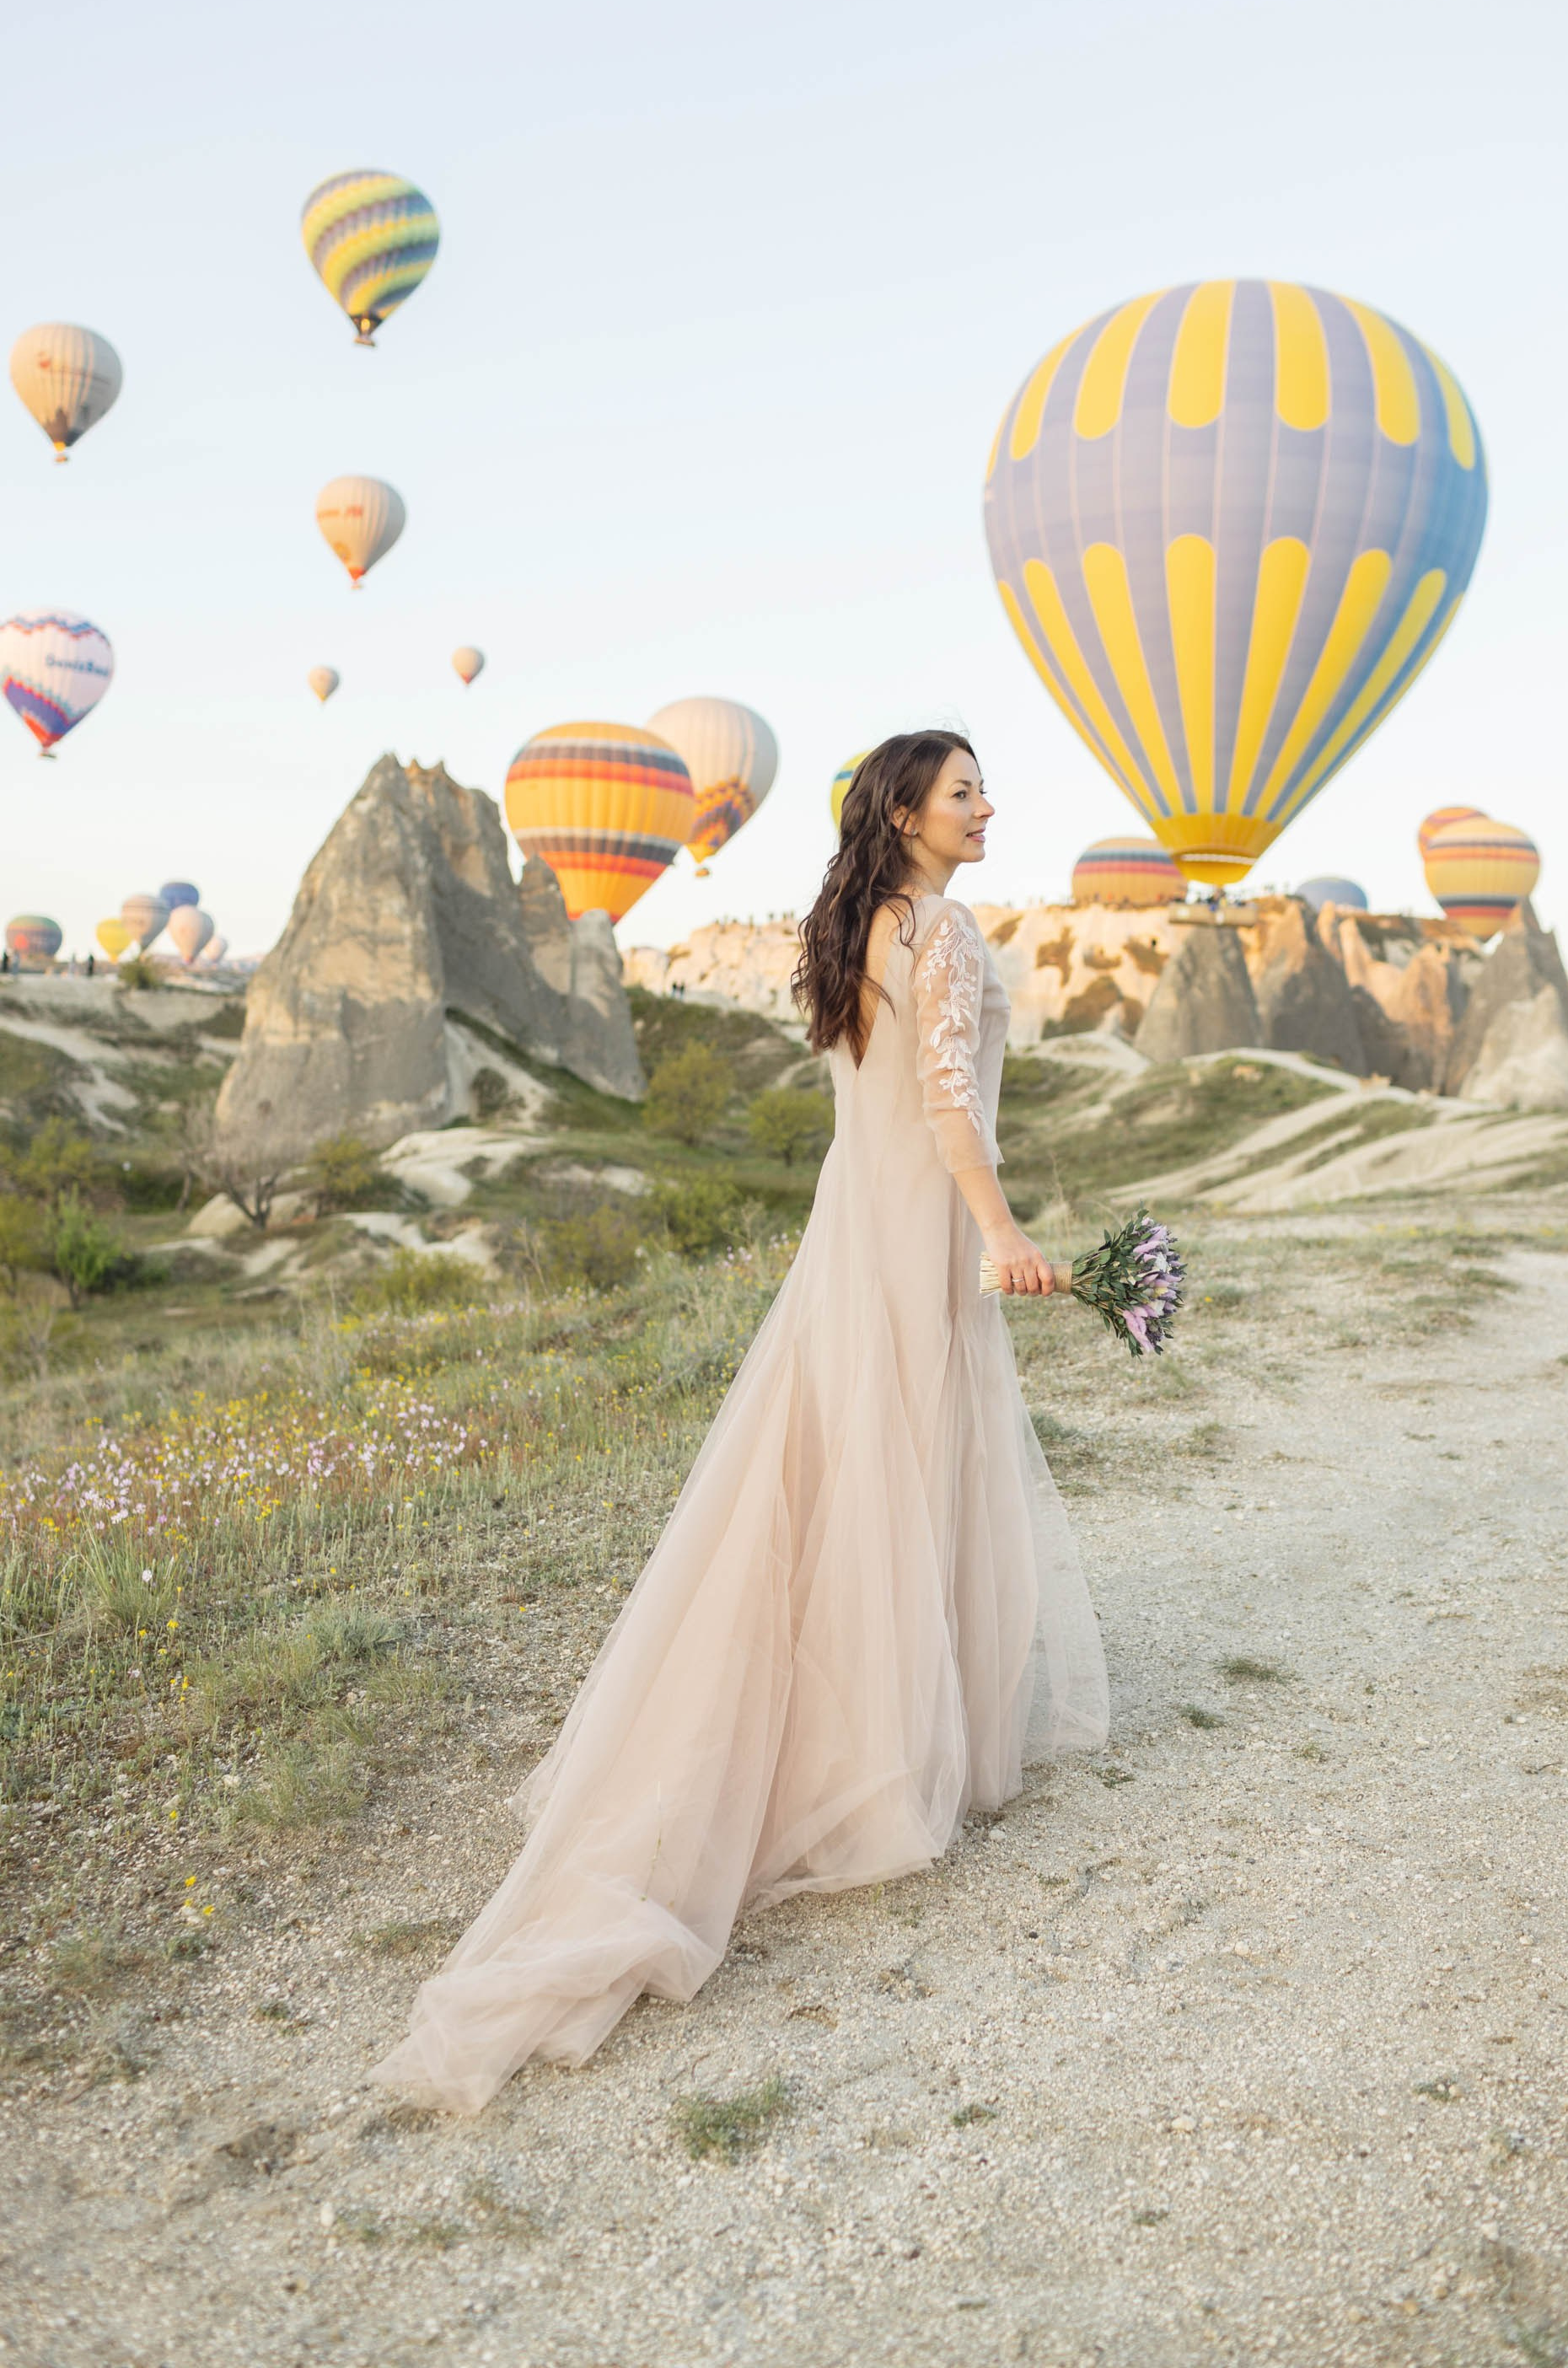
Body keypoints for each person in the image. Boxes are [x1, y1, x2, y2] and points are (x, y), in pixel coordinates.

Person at [372, 731, 1109, 2113]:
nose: (986, 807)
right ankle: (880, 1761)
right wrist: (1001, 1233)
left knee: (842, 1469)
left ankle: (864, 1736)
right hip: (914, 1226)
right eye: (964, 791)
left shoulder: (857, 929)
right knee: (901, 1459)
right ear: (904, 810)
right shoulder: (936, 929)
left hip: (854, 1228)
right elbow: (952, 1106)